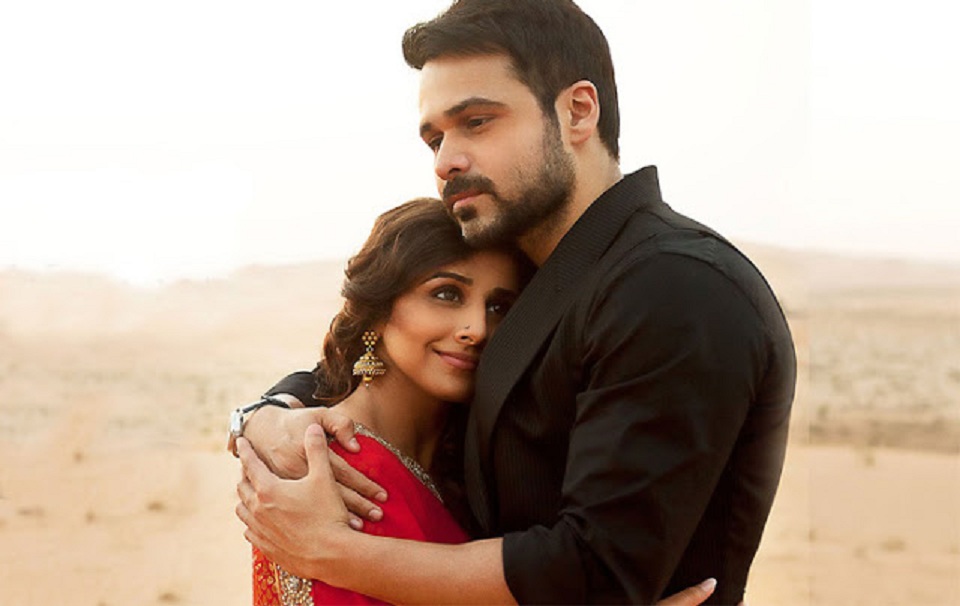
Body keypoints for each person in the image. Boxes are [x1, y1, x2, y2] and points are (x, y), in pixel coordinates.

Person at [236, 0, 796, 603]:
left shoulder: (672, 284)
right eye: (434, 138)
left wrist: (333, 554)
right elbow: (381, 367)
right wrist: (265, 414)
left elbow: (598, 571)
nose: (446, 160)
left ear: (577, 111)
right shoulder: (545, 274)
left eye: (476, 121)